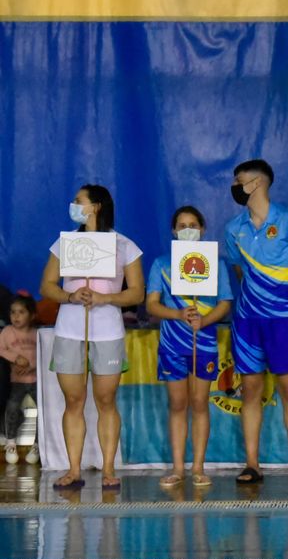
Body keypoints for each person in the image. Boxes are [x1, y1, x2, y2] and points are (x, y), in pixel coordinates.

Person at [40, 185, 144, 490]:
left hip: (108, 332)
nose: (73, 204)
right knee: (73, 400)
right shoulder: (64, 243)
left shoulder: (125, 245)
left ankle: (109, 469)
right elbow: (47, 286)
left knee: (106, 399)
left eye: (78, 201)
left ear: (96, 206)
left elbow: (136, 292)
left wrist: (105, 298)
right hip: (70, 330)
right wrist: (70, 296)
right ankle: (73, 470)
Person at [223, 159, 288, 484]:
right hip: (248, 323)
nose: (235, 185)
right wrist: (256, 296)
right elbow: (239, 272)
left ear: (258, 183)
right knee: (250, 390)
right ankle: (252, 464)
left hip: (284, 323)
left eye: (240, 180)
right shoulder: (234, 229)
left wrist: (276, 298)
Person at [144, 206, 234, 487]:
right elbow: (151, 305)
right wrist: (178, 315)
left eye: (193, 224)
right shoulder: (162, 263)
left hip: (204, 343)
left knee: (199, 404)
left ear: (203, 229)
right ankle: (178, 468)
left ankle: (198, 467)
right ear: (174, 231)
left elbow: (225, 303)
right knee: (178, 404)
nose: (187, 229)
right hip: (172, 345)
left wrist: (205, 320)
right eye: (182, 225)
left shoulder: (215, 264)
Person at [0, 295, 40, 465]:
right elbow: (1, 349)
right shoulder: (7, 332)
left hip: (36, 379)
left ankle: (38, 445)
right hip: (17, 381)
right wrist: (16, 358)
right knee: (13, 407)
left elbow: (43, 355)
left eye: (21, 312)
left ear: (31, 315)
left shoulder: (37, 333)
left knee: (42, 413)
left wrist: (31, 365)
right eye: (13, 312)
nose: (16, 316)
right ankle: (10, 443)